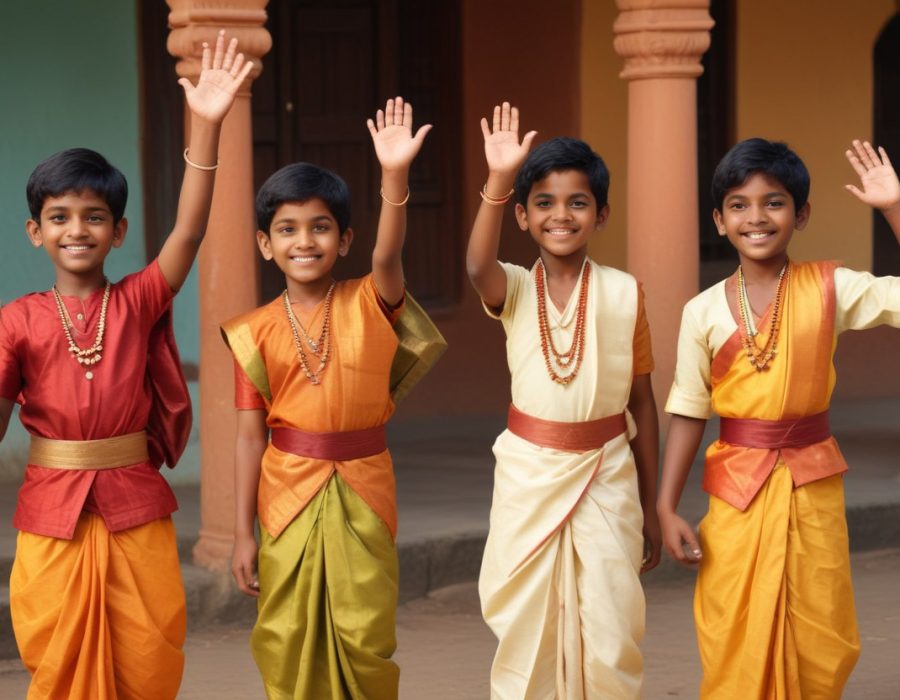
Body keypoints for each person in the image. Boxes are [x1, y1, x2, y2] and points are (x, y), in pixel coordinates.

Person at [0, 31, 251, 700]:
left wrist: (209, 122)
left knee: (147, 657)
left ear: (119, 229)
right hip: (49, 514)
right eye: (59, 217)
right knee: (55, 660)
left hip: (134, 505)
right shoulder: (16, 320)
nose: (77, 229)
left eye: (94, 216)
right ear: (36, 231)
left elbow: (190, 233)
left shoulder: (138, 300)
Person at [658, 138, 900, 698]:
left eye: (775, 202)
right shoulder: (702, 309)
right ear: (719, 221)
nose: (757, 217)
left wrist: (891, 207)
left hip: (812, 489)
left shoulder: (831, 289)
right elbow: (690, 408)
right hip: (735, 493)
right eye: (739, 205)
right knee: (731, 631)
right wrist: (666, 505)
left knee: (820, 630)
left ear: (802, 214)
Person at [223, 97, 434, 699]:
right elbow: (247, 436)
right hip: (285, 494)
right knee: (287, 637)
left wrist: (394, 175)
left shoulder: (373, 299)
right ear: (266, 244)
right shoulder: (252, 331)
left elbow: (389, 253)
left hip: (365, 487)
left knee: (365, 635)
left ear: (344, 240)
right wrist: (243, 533)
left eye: (320, 227)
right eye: (287, 230)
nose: (304, 241)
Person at [466, 102, 661, 699]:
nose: (561, 215)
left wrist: (653, 505)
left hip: (608, 475)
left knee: (609, 633)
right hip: (530, 478)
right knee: (529, 634)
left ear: (601, 214)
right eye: (544, 203)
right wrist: (500, 179)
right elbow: (476, 265)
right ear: (522, 216)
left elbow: (643, 404)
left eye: (578, 202)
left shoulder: (625, 293)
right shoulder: (516, 287)